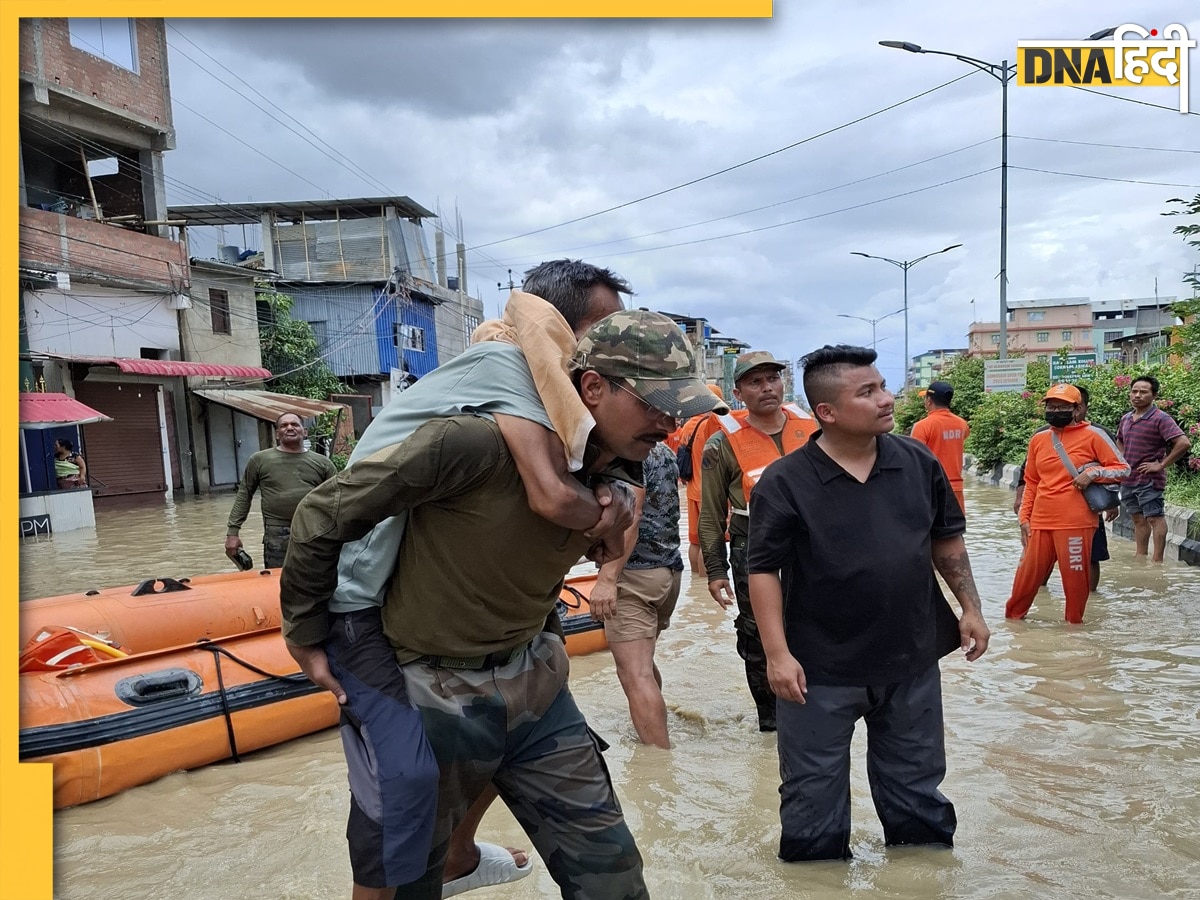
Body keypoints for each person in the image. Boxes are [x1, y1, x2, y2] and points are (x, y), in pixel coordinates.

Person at [282, 309, 725, 900]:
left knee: (615, 877)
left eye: (678, 405)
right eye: (653, 402)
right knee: (409, 882)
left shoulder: (617, 468)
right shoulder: (469, 445)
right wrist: (305, 633)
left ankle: (468, 857)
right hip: (428, 690)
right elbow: (321, 514)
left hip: (536, 688)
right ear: (591, 387)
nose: (669, 421)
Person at [746, 344, 990, 862]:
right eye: (869, 391)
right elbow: (763, 569)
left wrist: (971, 608)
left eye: (882, 386)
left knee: (918, 799)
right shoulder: (786, 482)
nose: (887, 398)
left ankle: (922, 883)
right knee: (813, 805)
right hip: (819, 670)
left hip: (911, 660)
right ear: (827, 412)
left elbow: (946, 541)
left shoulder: (917, 461)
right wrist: (777, 654)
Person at [699, 350, 818, 732]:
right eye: (755, 381)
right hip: (753, 545)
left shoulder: (814, 430)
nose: (767, 388)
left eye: (773, 379)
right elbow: (712, 513)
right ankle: (771, 721)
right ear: (738, 392)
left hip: (814, 546)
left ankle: (819, 708)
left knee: (818, 621)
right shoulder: (720, 446)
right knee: (756, 631)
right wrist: (715, 570)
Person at [1006, 384, 1129, 624]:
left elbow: (1123, 469)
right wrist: (1024, 518)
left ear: (1076, 409)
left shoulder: (1095, 435)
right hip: (1040, 521)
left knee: (1074, 586)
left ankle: (1074, 634)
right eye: (1051, 406)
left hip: (1076, 522)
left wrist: (1092, 473)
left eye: (1062, 406)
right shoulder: (1039, 439)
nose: (1055, 411)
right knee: (1024, 583)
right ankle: (1013, 627)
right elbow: (1031, 482)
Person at [590, 440, 683, 749]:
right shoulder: (664, 451)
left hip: (633, 576)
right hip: (668, 573)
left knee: (635, 675)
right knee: (643, 665)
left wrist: (607, 578)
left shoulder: (627, 454)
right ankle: (652, 728)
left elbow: (633, 514)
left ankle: (658, 761)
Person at [224, 413, 338, 568]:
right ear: (277, 434)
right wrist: (233, 533)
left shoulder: (323, 463)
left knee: (315, 581)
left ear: (305, 432)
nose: (289, 428)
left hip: (314, 531)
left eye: (294, 424)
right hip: (276, 532)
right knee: (277, 582)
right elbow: (244, 495)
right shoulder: (260, 460)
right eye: (284, 425)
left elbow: (337, 500)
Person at [1116, 375, 1191, 563]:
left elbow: (1183, 443)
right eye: (1134, 391)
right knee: (1138, 519)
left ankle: (1157, 561)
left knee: (1155, 518)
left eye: (1143, 392)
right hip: (1129, 478)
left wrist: (1161, 464)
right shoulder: (1126, 418)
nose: (1137, 395)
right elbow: (1120, 440)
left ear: (1154, 395)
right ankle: (1140, 556)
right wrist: (1122, 460)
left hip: (1150, 479)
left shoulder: (1161, 418)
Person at [678, 384, 728, 573]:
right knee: (710, 542)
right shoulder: (712, 424)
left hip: (692, 490)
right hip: (709, 491)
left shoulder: (688, 425)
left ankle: (695, 582)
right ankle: (707, 584)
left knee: (695, 541)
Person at [910, 380, 969, 515]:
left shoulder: (922, 426)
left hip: (931, 488)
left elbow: (914, 459)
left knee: (933, 532)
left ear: (929, 401)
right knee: (955, 531)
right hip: (956, 488)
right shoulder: (962, 424)